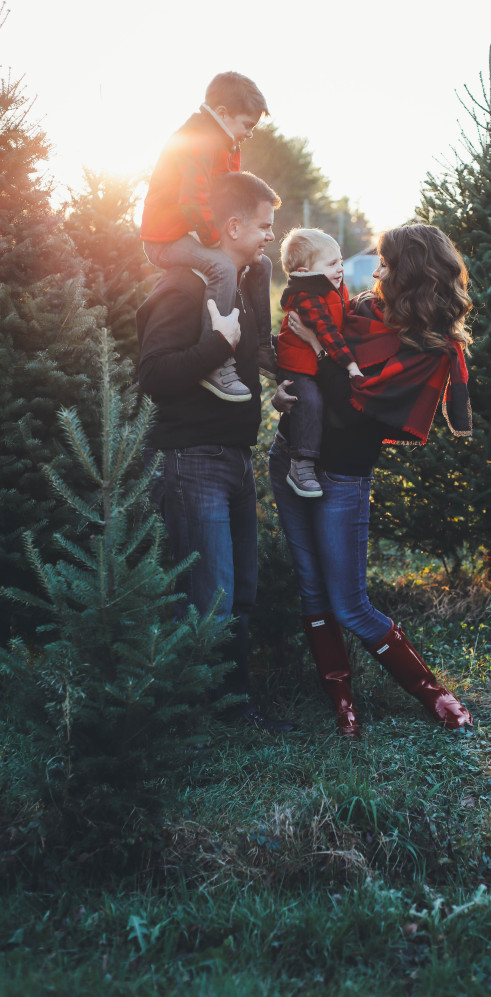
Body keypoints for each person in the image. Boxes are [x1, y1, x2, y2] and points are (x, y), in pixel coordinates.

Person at [269, 223, 474, 738]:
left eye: (385, 264)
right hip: (291, 456)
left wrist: (319, 346)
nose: (375, 272)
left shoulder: (428, 349)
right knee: (312, 590)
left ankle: (432, 693)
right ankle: (343, 705)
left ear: (412, 274)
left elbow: (350, 411)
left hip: (342, 476)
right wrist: (286, 389)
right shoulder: (358, 310)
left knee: (349, 603)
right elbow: (299, 366)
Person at [137, 171, 293, 734]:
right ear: (232, 226)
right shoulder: (181, 287)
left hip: (234, 458)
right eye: (263, 226)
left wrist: (275, 385)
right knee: (209, 597)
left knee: (238, 593)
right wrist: (215, 346)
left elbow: (242, 362)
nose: (270, 237)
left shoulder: (243, 288)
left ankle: (235, 710)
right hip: (192, 460)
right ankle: (201, 721)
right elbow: (154, 374)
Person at [140, 71, 276, 402]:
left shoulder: (222, 143)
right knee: (223, 268)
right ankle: (215, 360)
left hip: (191, 230)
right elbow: (194, 197)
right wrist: (216, 239)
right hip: (165, 238)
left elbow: (227, 194)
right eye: (247, 124)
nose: (248, 133)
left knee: (262, 264)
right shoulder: (197, 140)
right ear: (223, 113)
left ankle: (261, 346)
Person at [276, 228, 364, 498]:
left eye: (340, 261)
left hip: (315, 363)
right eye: (331, 264)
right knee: (310, 401)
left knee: (320, 400)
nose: (340, 269)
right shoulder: (307, 296)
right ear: (305, 271)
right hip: (298, 366)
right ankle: (301, 463)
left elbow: (344, 315)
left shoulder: (332, 287)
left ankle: (295, 445)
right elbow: (328, 335)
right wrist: (350, 365)